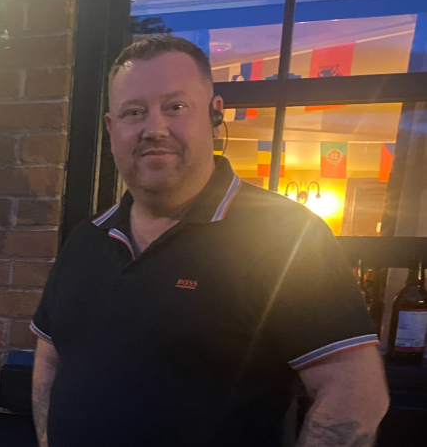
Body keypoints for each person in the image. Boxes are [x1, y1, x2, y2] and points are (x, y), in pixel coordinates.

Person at [30, 35, 389, 447]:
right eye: (134, 112)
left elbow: (355, 396)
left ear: (214, 115)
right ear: (112, 129)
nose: (155, 129)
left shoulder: (286, 236)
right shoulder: (86, 238)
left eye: (175, 107)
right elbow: (49, 360)